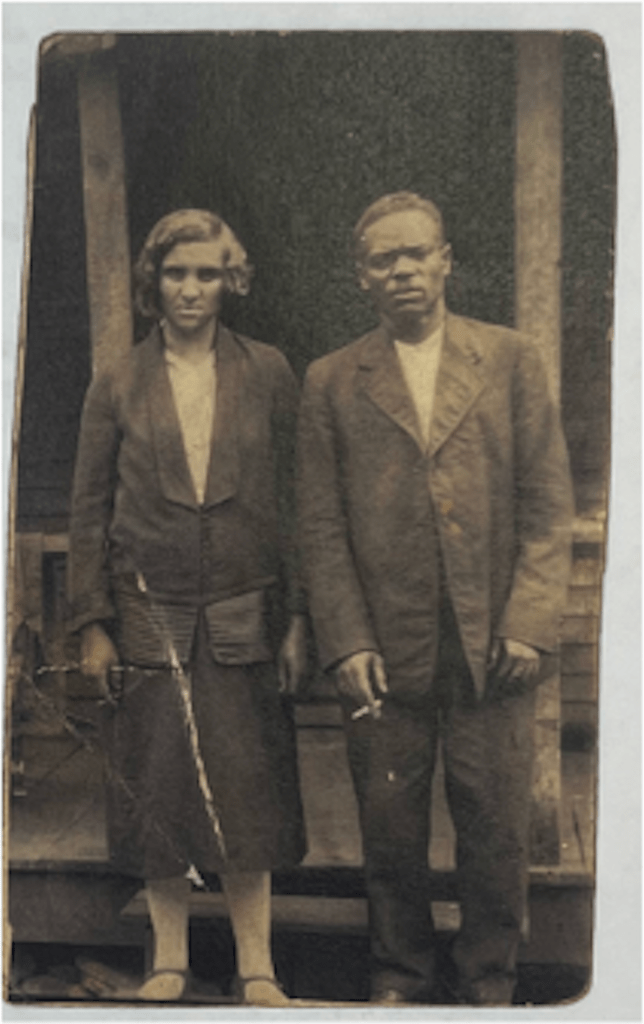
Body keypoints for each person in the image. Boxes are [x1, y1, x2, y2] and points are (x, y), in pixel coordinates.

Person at [296, 192, 573, 1006]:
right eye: (385, 260)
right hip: (385, 645)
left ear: (447, 259)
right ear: (362, 278)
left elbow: (548, 507)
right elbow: (319, 523)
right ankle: (399, 975)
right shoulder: (334, 379)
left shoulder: (512, 359)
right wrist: (345, 640)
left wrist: (528, 621)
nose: (404, 271)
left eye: (418, 254)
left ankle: (490, 980)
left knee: (495, 827)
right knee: (389, 831)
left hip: (493, 643)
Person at [67, 209, 307, 1005]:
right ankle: (167, 957)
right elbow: (89, 507)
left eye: (207, 274)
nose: (192, 290)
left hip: (245, 612)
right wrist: (93, 623)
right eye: (176, 274)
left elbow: (296, 499)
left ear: (229, 279)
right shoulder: (119, 381)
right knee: (162, 781)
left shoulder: (268, 370)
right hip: (150, 615)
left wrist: (298, 616)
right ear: (153, 283)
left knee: (246, 785)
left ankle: (257, 965)